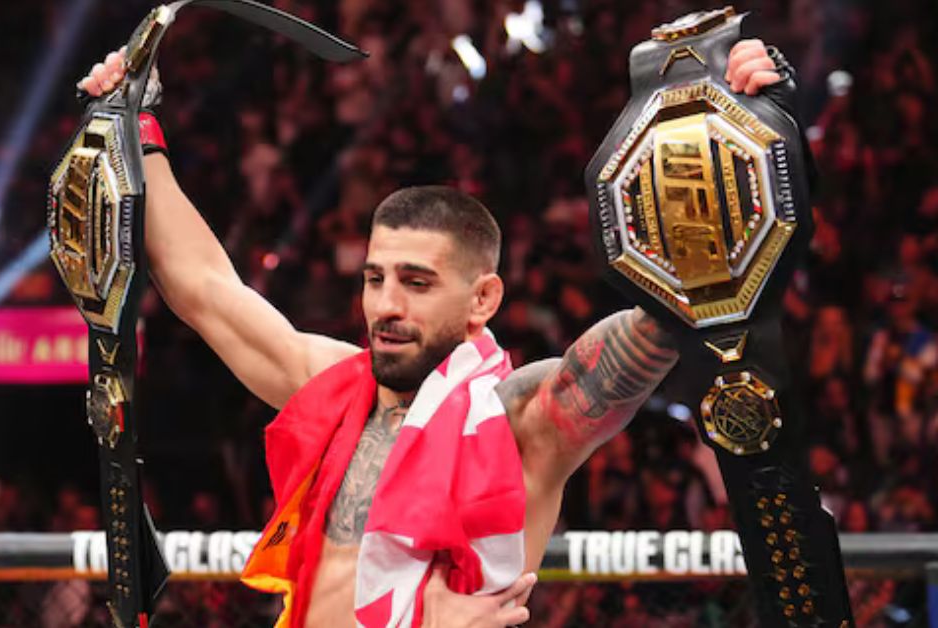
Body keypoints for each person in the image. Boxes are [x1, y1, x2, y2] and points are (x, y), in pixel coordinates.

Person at [78, 37, 788, 628]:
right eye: (375, 278)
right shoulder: (334, 387)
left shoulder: (519, 420)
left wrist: (743, 138)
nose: (386, 305)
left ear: (483, 299)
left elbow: (657, 325)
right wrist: (136, 127)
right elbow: (203, 289)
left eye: (416, 283)